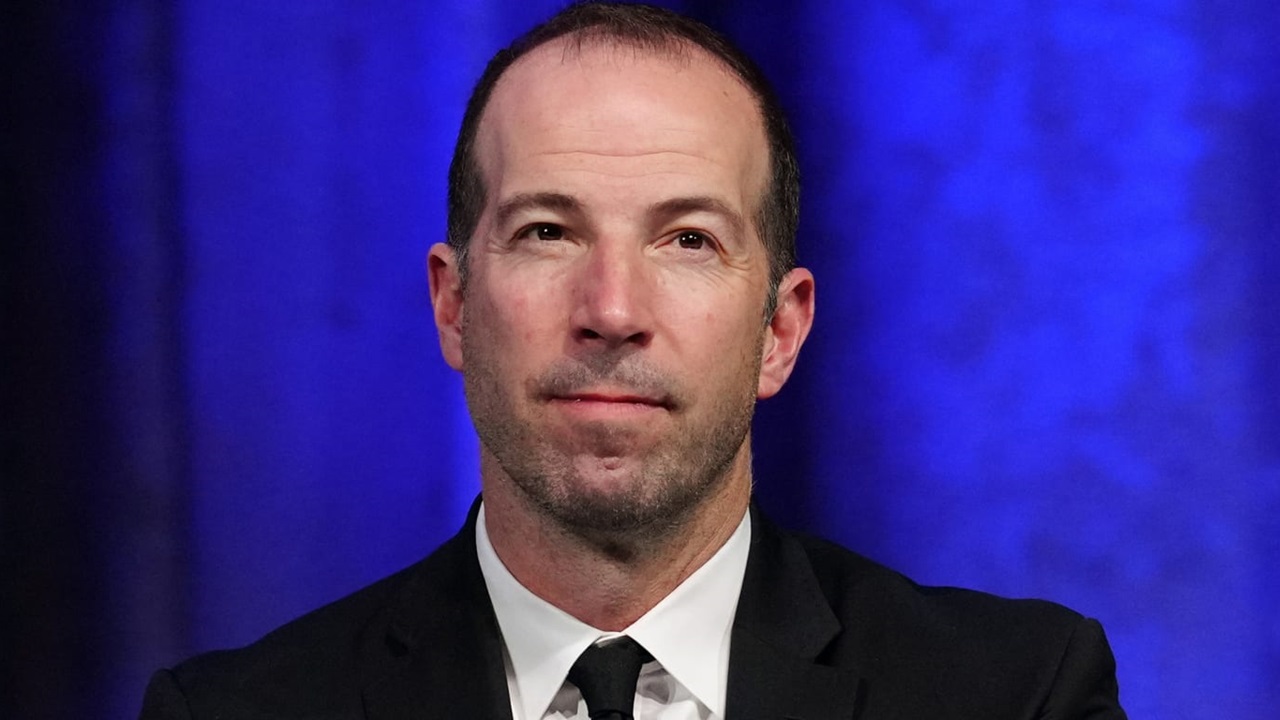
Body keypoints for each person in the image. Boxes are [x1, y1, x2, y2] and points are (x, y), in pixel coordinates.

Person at [140, 3, 1127, 718]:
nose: (611, 312)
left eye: (688, 240)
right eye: (547, 232)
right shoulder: (230, 712)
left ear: (780, 331)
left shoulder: (1016, 694)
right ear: (453, 306)